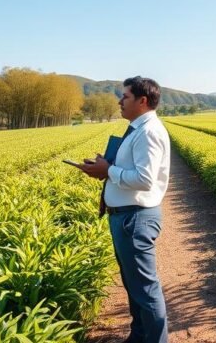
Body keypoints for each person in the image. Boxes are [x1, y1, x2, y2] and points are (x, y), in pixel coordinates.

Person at [74, 76, 169, 343]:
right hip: (126, 217)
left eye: (125, 96)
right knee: (134, 285)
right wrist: (105, 167)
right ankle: (139, 337)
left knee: (145, 289)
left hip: (134, 218)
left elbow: (144, 178)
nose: (119, 101)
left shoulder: (149, 132)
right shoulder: (138, 129)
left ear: (143, 100)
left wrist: (109, 170)